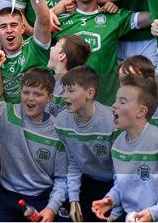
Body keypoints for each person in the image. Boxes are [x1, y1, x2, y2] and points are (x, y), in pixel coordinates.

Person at [0, 51, 67, 221]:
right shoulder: (6, 113)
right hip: (9, 198)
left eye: (38, 94)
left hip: (44, 198)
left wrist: (51, 208)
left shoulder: (58, 132)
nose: (30, 99)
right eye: (26, 92)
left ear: (50, 98)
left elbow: (62, 179)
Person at [92, 75, 158, 222]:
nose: (114, 105)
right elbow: (123, 183)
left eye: (122, 101)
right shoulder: (118, 145)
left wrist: (154, 213)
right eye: (116, 99)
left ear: (141, 111)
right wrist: (111, 199)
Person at [53, 0, 151, 105]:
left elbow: (150, 17)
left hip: (105, 105)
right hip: (67, 105)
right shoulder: (58, 21)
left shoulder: (113, 16)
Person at [54, 66, 117, 222]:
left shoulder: (112, 123)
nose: (64, 96)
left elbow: (122, 167)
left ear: (90, 93)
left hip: (117, 183)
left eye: (71, 91)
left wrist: (115, 203)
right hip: (88, 181)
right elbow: (73, 161)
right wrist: (73, 199)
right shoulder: (61, 121)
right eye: (64, 91)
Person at [0, 0, 53, 104]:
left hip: (44, 115)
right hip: (14, 120)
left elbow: (44, 18)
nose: (9, 30)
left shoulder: (35, 47)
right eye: (3, 27)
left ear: (22, 28)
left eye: (14, 25)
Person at [118, 55, 158, 142]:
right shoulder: (118, 109)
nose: (125, 85)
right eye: (122, 80)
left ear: (149, 81)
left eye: (131, 80)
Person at [46, 35, 91, 116]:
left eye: (56, 45)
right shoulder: (49, 82)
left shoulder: (76, 92)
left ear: (62, 56)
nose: (51, 48)